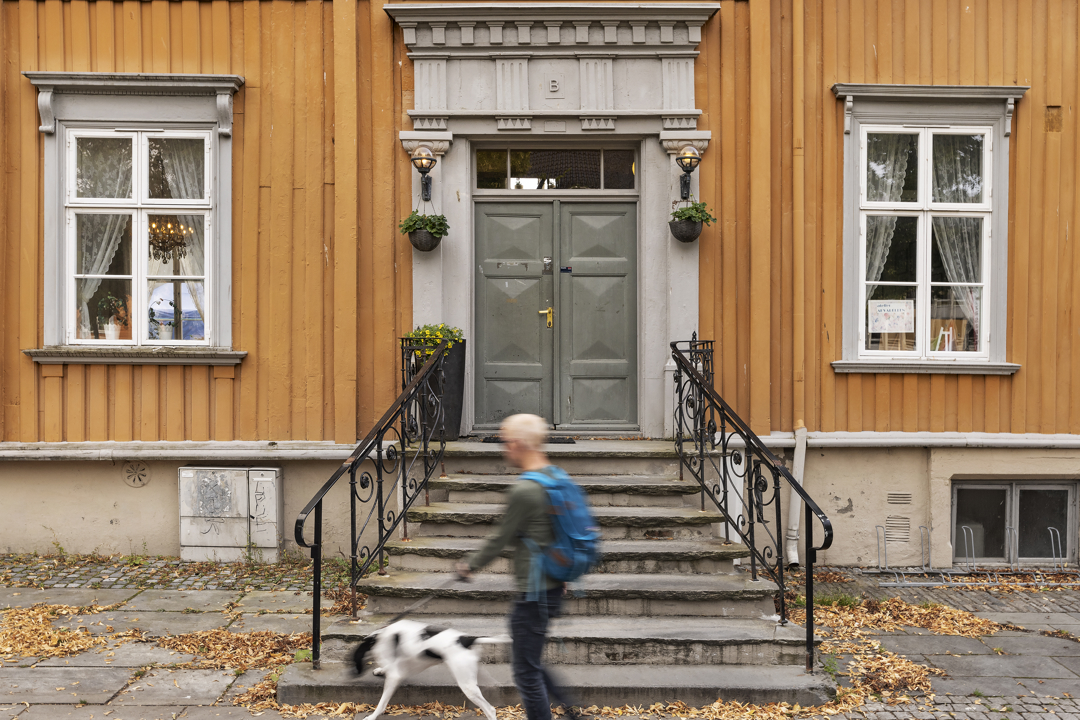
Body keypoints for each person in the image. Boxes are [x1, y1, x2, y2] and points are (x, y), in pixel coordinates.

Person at [455, 413, 572, 720]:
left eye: (506, 442)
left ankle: (568, 710)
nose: (504, 449)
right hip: (552, 586)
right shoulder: (555, 476)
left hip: (534, 592)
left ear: (519, 444)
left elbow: (499, 538)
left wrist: (469, 565)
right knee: (530, 661)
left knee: (525, 673)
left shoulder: (525, 490)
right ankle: (572, 709)